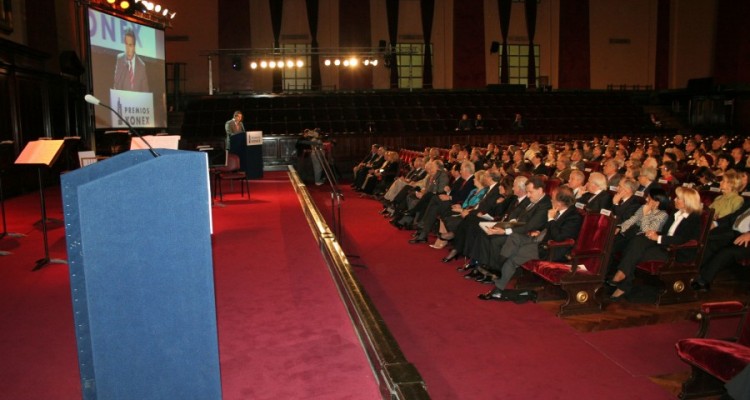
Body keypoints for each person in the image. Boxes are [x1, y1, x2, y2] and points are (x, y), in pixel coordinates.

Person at [478, 185, 583, 300]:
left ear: (560, 202)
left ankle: (497, 290)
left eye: (553, 197)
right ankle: (498, 267)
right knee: (515, 236)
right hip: (540, 239)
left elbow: (559, 237)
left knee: (514, 258)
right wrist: (539, 230)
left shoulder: (574, 217)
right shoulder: (558, 209)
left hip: (550, 248)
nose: (551, 199)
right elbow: (547, 227)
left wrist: (551, 219)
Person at [606, 187, 703, 301]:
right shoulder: (676, 214)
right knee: (638, 240)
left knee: (634, 252)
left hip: (676, 251)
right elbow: (667, 232)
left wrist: (658, 237)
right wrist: (654, 234)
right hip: (664, 245)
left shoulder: (694, 218)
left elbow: (682, 239)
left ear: (687, 201)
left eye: (678, 198)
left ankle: (622, 278)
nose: (675, 200)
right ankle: (622, 281)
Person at [113, 27, 149, 92]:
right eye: (126, 45)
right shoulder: (120, 59)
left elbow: (145, 91)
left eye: (130, 45)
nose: (127, 49)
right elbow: (116, 85)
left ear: (134, 47)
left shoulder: (141, 65)